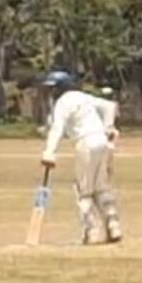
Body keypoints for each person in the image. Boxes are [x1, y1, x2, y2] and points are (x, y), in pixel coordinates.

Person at [40, 71, 123, 245]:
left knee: (83, 191)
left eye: (53, 89)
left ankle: (91, 230)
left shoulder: (63, 102)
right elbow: (110, 106)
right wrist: (108, 126)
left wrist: (49, 152)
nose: (51, 93)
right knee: (102, 186)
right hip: (102, 141)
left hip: (85, 143)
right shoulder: (82, 97)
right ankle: (113, 225)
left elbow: (57, 128)